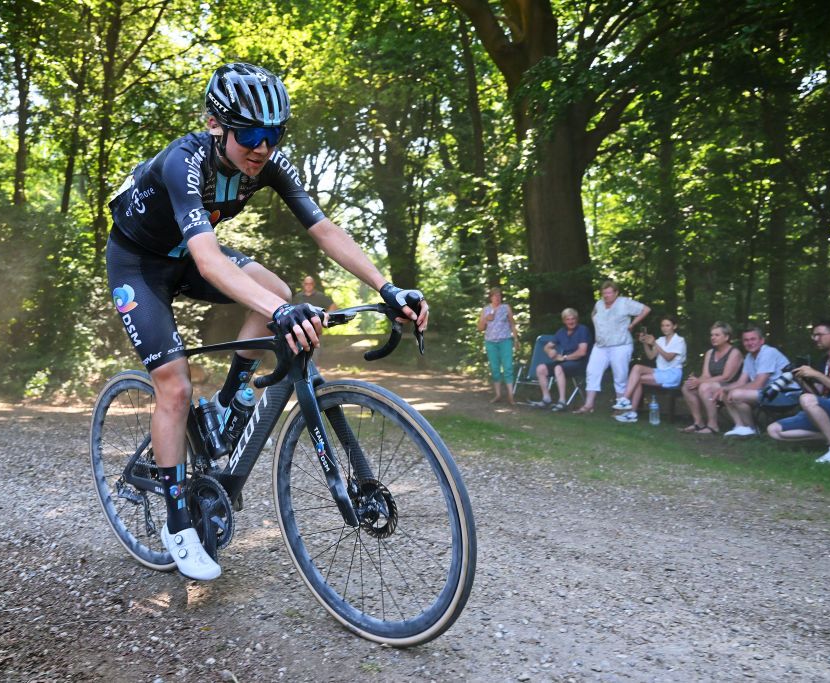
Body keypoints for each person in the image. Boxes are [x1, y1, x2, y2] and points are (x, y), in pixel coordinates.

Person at [105, 63, 428, 580]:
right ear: (217, 125)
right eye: (250, 135)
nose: (262, 148)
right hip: (139, 265)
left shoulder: (268, 165)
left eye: (273, 135)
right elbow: (210, 262)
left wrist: (386, 287)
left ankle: (234, 395)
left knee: (275, 290)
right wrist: (281, 312)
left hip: (185, 255)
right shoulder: (183, 162)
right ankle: (177, 523)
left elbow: (324, 228)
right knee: (174, 387)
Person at [767, 320, 830, 463]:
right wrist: (801, 380)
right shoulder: (824, 360)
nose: (815, 339)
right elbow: (817, 394)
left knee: (806, 399)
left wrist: (816, 374)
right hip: (827, 412)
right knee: (774, 430)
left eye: (819, 335)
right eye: (813, 335)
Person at [574, 280, 650, 414]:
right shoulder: (599, 304)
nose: (606, 296)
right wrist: (598, 325)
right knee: (592, 372)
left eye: (609, 293)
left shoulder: (624, 303)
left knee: (620, 375)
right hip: (600, 346)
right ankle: (588, 405)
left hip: (620, 345)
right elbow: (593, 314)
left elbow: (645, 309)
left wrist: (632, 324)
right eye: (604, 293)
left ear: (616, 293)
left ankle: (620, 407)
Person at [719, 326, 798, 438]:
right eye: (746, 340)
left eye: (753, 339)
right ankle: (740, 426)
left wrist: (733, 390)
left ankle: (751, 429)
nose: (749, 343)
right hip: (768, 393)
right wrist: (724, 389)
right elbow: (741, 382)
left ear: (761, 340)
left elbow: (758, 384)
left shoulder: (768, 352)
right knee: (726, 393)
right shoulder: (749, 357)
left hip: (785, 394)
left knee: (736, 394)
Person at [612, 315, 687, 423]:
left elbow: (668, 357)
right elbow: (651, 356)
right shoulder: (661, 340)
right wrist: (645, 343)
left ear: (674, 326)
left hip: (672, 374)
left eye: (668, 325)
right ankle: (627, 405)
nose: (665, 328)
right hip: (660, 371)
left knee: (638, 379)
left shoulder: (679, 340)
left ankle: (628, 406)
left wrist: (654, 343)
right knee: (637, 368)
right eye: (663, 325)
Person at [679, 321, 744, 435]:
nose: (713, 338)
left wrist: (701, 382)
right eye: (712, 335)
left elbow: (726, 377)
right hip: (712, 384)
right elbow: (706, 375)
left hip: (731, 385)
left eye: (717, 335)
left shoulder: (734, 352)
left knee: (705, 387)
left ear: (726, 337)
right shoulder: (710, 352)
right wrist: (695, 381)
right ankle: (698, 422)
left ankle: (713, 426)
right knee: (687, 386)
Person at [530, 308, 591, 411]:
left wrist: (565, 357)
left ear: (577, 319)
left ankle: (562, 402)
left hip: (581, 363)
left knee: (558, 367)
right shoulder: (561, 332)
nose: (571, 322)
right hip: (565, 362)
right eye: (568, 319)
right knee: (540, 368)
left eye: (573, 319)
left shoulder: (582, 330)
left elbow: (582, 352)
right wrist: (550, 351)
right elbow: (547, 346)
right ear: (564, 321)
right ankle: (546, 399)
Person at [477, 287, 520, 404]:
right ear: (491, 297)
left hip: (505, 341)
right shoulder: (486, 310)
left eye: (499, 295)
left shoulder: (506, 308)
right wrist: (486, 319)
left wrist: (516, 340)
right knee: (495, 369)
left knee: (508, 367)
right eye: (495, 295)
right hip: (491, 342)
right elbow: (480, 328)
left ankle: (511, 395)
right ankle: (498, 394)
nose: (497, 298)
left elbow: (512, 324)